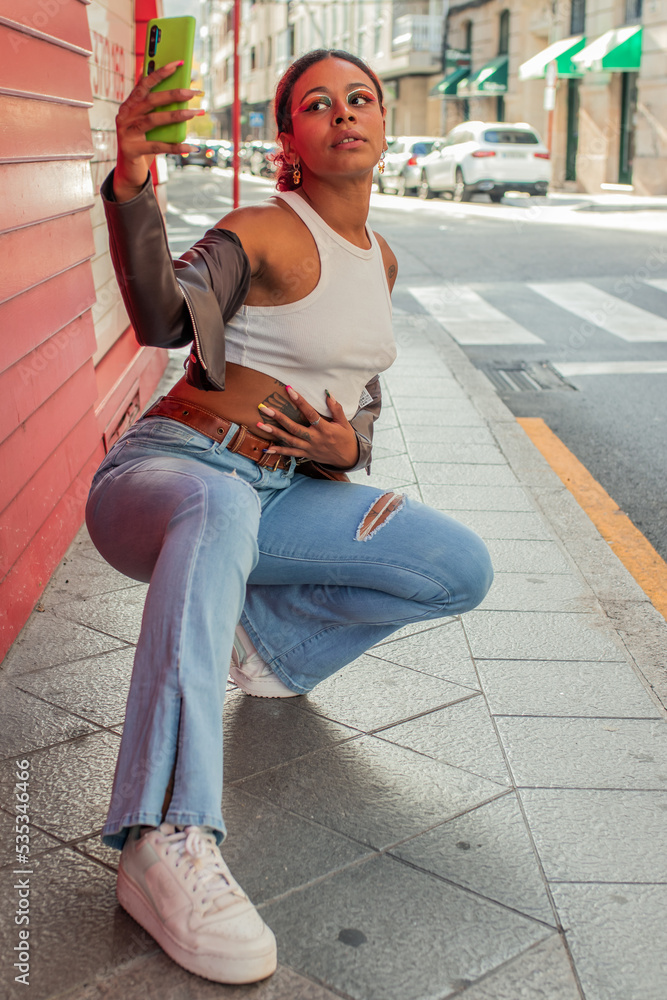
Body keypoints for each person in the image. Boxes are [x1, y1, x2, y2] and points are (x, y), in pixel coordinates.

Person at [86, 48, 493, 986]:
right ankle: (164, 834)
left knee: (456, 566)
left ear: (384, 127)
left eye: (361, 99)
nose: (344, 113)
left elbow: (358, 398)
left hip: (284, 494)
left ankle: (269, 650)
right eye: (318, 103)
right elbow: (163, 317)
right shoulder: (261, 228)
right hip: (174, 469)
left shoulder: (378, 256)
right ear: (289, 138)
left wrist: (347, 448)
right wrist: (135, 173)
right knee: (221, 502)